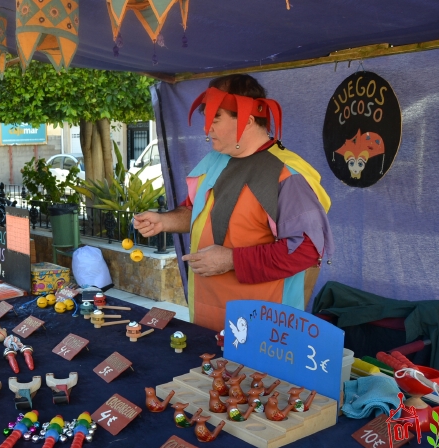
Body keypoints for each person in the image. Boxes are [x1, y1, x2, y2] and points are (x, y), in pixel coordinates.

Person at [134, 74, 334, 332]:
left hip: (263, 330)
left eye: (215, 118)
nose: (207, 129)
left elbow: (306, 250)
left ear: (247, 120)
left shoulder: (287, 175)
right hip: (206, 320)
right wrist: (164, 221)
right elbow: (196, 211)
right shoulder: (214, 161)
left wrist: (231, 260)